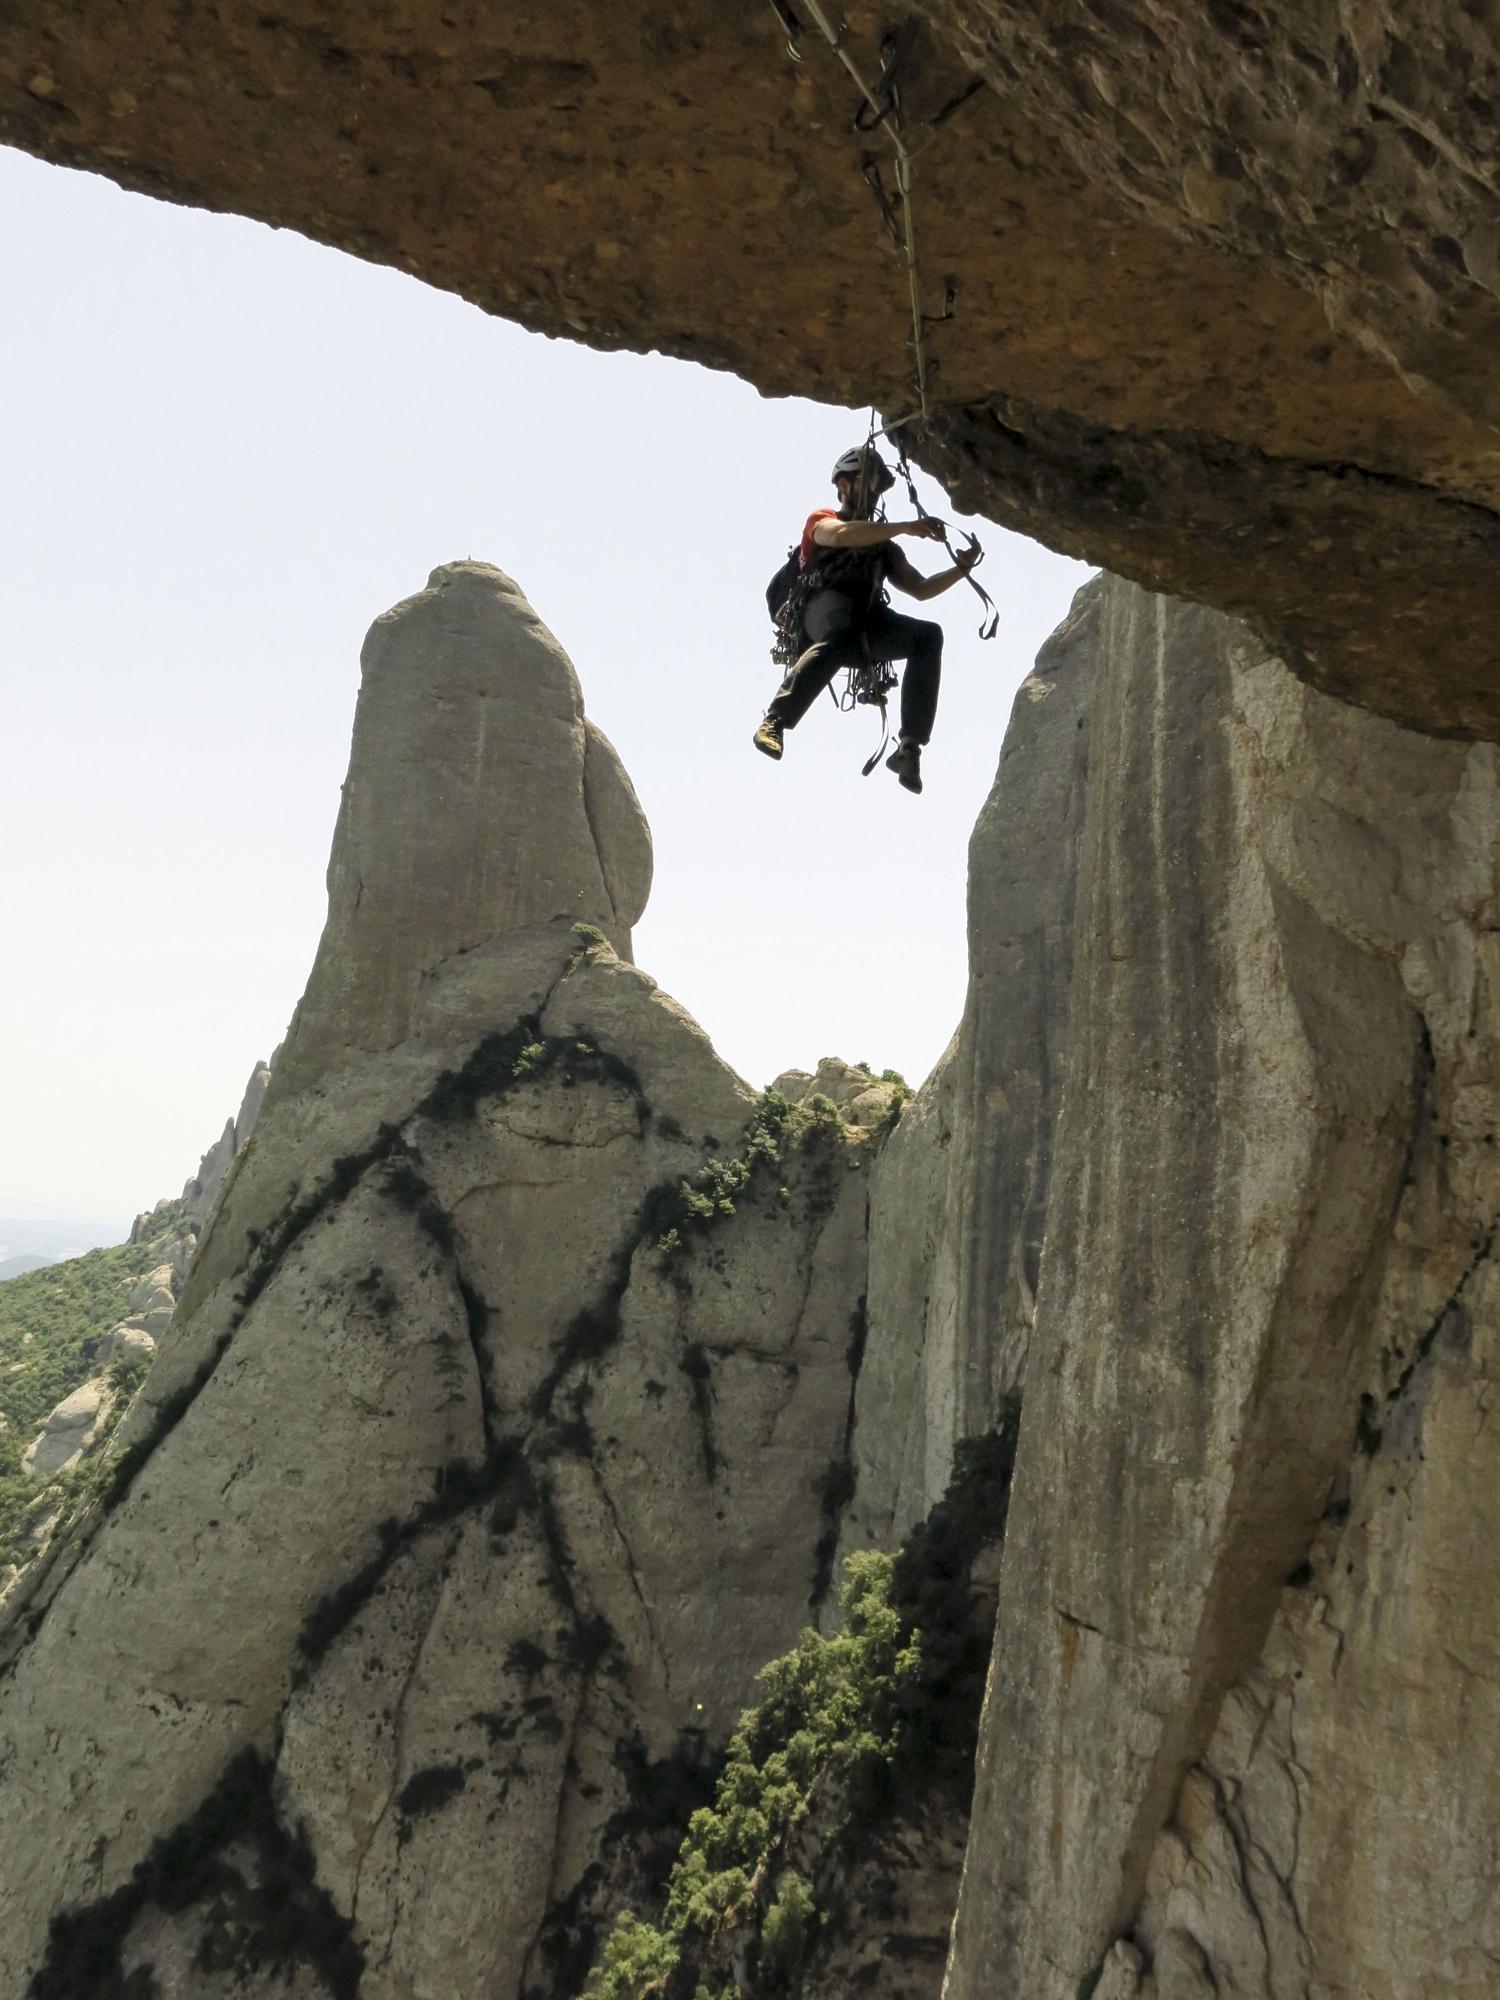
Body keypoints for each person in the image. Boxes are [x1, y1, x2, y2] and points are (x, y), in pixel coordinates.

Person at [753, 445, 983, 794]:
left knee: (927, 636)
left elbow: (919, 588)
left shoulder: (884, 545)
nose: (873, 494)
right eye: (866, 484)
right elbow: (842, 535)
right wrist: (905, 527)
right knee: (840, 633)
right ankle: (775, 720)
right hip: (823, 611)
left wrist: (961, 569)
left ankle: (909, 748)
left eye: (877, 488)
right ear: (843, 485)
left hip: (865, 624)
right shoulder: (822, 518)